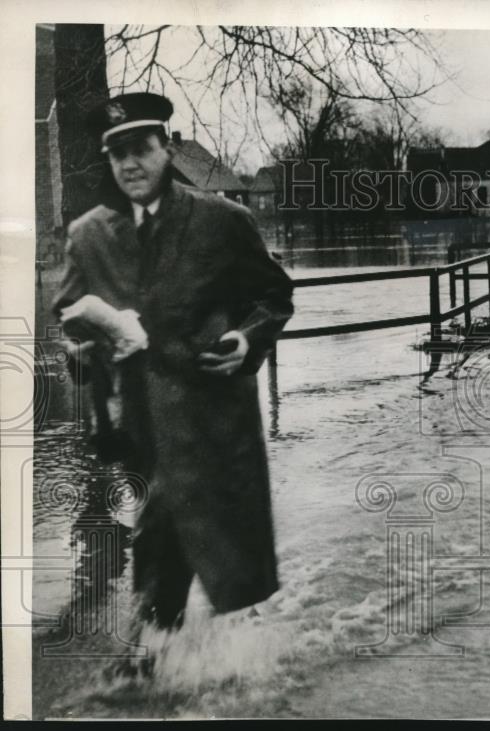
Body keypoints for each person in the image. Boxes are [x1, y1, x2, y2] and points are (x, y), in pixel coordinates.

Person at [53, 93, 294, 672]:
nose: (129, 164)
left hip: (215, 417)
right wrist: (84, 351)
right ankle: (168, 664)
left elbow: (272, 296)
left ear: (167, 150)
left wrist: (245, 339)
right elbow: (69, 323)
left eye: (141, 149)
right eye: (117, 155)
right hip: (143, 422)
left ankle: (203, 667)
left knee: (199, 543)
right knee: (169, 531)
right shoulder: (88, 236)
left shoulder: (222, 221)